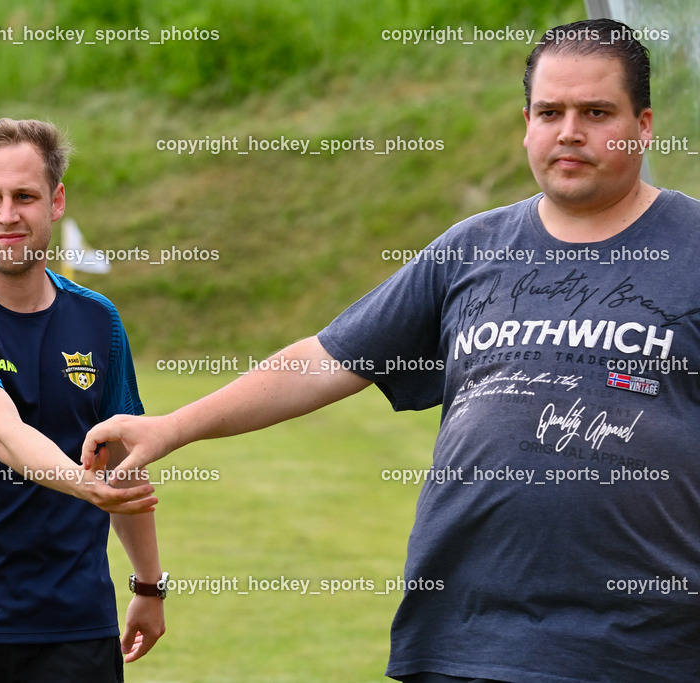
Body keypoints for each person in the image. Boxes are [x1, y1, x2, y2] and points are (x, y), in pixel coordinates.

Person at [83, 18, 700, 681]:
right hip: (466, 638)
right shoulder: (472, 250)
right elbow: (324, 360)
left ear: (644, 124)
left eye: (596, 112)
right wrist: (172, 427)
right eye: (550, 111)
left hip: (643, 648)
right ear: (526, 122)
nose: (569, 130)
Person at [0, 118, 166, 683]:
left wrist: (148, 582)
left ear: (56, 201)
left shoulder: (98, 319)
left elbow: (122, 458)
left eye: (25, 196)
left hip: (76, 622)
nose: (8, 215)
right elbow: (1, 432)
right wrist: (82, 483)